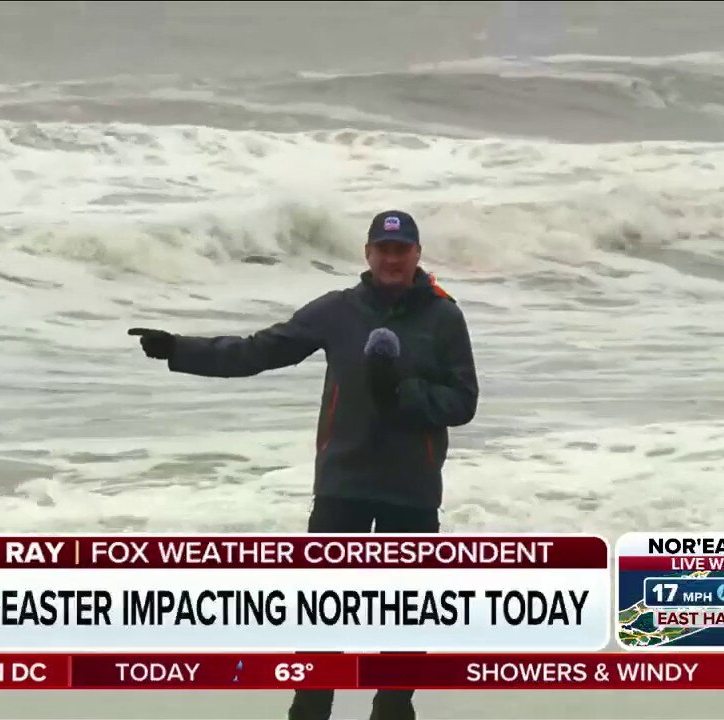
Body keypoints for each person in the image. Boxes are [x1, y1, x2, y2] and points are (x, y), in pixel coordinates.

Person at [128, 210, 479, 720]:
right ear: (368, 253)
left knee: (408, 617)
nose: (391, 258)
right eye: (382, 248)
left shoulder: (444, 317)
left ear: (417, 255)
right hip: (344, 483)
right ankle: (312, 706)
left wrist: (405, 394)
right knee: (322, 612)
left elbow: (463, 401)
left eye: (401, 250)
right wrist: (179, 349)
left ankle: (393, 709)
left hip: (412, 487)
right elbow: (257, 352)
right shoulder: (339, 311)